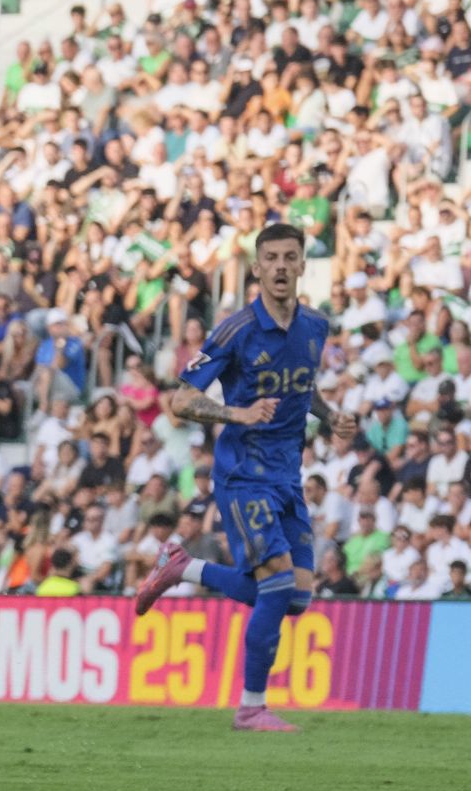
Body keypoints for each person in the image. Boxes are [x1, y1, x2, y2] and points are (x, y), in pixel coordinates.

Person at [135, 223, 357, 732]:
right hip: (241, 475)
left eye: (290, 258)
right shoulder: (235, 330)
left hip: (287, 477)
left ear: (303, 266)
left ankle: (182, 568)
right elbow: (181, 400)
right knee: (276, 583)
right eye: (271, 259)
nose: (280, 267)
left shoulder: (315, 327)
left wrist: (330, 415)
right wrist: (239, 414)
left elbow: (303, 387)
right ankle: (251, 707)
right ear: (256, 269)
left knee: (295, 597)